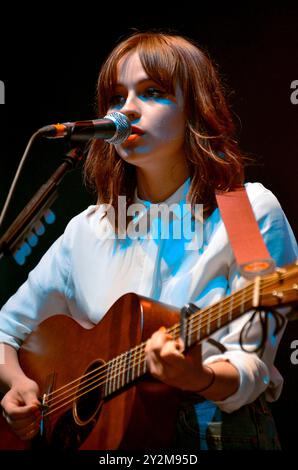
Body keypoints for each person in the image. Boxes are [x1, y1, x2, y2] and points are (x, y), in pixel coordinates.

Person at [0, 31, 297, 451]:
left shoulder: (245, 211)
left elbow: (252, 364)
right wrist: (17, 386)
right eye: (117, 98)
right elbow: (5, 329)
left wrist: (200, 377)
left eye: (152, 92)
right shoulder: (90, 228)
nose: (127, 111)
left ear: (195, 108)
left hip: (212, 432)